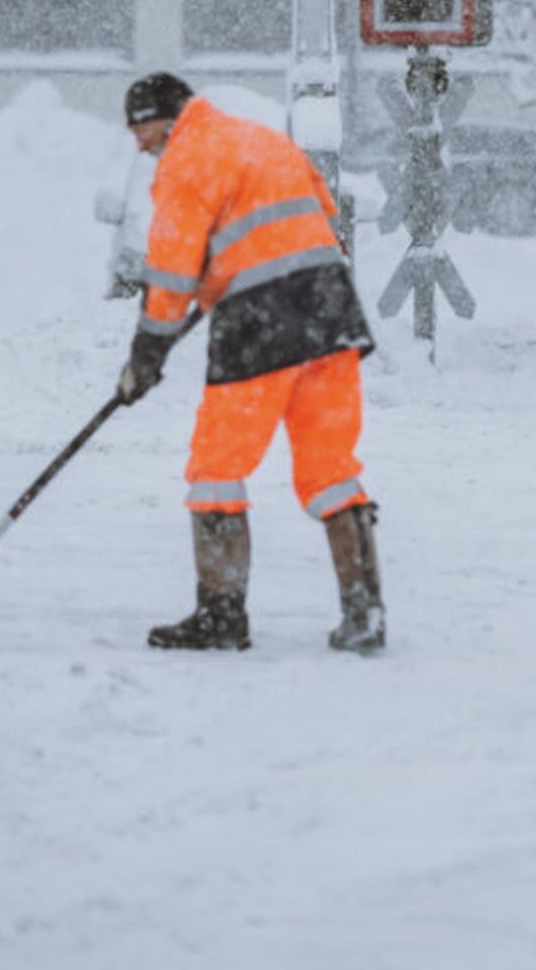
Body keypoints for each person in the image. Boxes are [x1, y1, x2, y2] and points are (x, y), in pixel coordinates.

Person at [116, 72, 384, 654]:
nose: (140, 145)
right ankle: (364, 610)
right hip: (330, 304)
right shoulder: (261, 138)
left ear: (168, 117)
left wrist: (147, 351)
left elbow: (170, 269)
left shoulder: (186, 159)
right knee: (330, 466)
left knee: (216, 465)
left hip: (259, 319)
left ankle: (220, 615)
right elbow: (320, 210)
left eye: (142, 131)